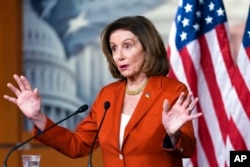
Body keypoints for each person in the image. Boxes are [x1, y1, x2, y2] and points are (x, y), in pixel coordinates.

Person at [4, 15, 202, 167]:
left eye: (127, 46)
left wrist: (173, 135)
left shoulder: (172, 91)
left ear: (148, 48)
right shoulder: (108, 95)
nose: (119, 56)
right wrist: (38, 117)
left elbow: (188, 149)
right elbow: (78, 145)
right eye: (114, 48)